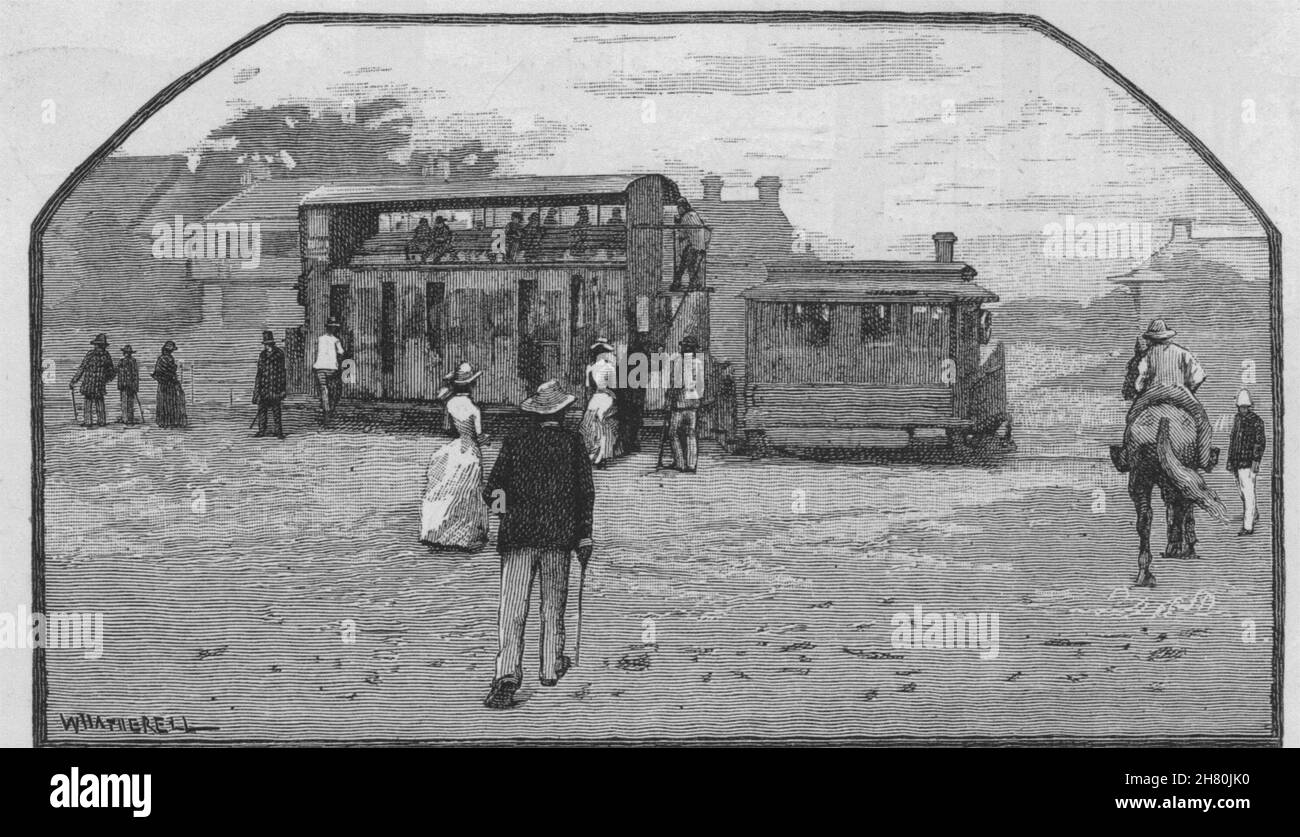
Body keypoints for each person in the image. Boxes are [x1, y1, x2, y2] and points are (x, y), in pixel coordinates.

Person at [482, 380, 593, 709]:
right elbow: (585, 494)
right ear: (563, 413)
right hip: (558, 539)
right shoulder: (573, 443)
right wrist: (584, 534)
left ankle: (506, 674)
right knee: (552, 606)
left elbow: (494, 489)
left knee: (512, 609)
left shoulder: (515, 441)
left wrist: (505, 516)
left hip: (517, 537)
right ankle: (548, 666)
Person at [1118, 319, 1217, 471]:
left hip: (1152, 393)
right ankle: (1204, 459)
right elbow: (1198, 376)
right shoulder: (1182, 352)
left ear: (1150, 339)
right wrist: (1187, 388)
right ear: (1167, 337)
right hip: (1180, 393)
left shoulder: (1147, 355)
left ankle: (1126, 457)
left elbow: (1139, 384)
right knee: (1202, 421)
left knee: (1132, 418)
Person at [421, 363, 491, 550]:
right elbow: (478, 436)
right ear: (471, 385)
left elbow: (447, 429)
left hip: (455, 447)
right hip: (470, 449)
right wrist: (486, 440)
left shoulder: (450, 404)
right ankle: (465, 535)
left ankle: (439, 531)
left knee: (447, 489)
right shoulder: (474, 409)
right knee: (469, 491)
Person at [1228, 388, 1266, 536]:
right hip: (1237, 462)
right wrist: (1230, 461)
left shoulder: (1256, 421)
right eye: (1240, 407)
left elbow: (1260, 442)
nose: (1242, 409)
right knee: (1242, 492)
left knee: (1248, 493)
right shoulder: (1237, 419)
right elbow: (1234, 441)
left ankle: (1248, 526)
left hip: (1249, 463)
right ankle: (1254, 513)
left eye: (1245, 407)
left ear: (1249, 407)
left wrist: (1256, 460)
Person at [667, 335, 705, 472]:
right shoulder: (698, 363)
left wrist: (670, 396)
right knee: (691, 433)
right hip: (693, 401)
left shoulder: (679, 362)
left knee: (674, 433)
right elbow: (701, 385)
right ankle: (691, 464)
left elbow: (676, 384)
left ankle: (680, 463)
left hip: (680, 402)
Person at [579, 340, 619, 467]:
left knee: (590, 425)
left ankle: (593, 454)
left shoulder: (590, 368)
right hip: (607, 397)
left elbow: (588, 388)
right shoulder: (609, 367)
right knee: (604, 426)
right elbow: (613, 386)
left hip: (595, 398)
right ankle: (602, 456)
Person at [69, 333, 115, 428]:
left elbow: (110, 371)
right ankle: (97, 422)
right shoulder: (103, 355)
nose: (97, 347)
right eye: (97, 345)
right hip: (94, 384)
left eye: (98, 345)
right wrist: (105, 379)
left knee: (93, 402)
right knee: (94, 402)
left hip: (91, 384)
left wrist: (74, 381)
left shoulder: (96, 355)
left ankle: (92, 422)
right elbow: (111, 372)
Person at [253, 330, 287, 439]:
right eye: (265, 344)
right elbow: (259, 373)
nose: (266, 346)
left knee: (276, 411)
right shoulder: (262, 355)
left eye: (268, 344)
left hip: (275, 387)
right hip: (264, 387)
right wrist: (257, 391)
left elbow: (282, 372)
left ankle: (279, 432)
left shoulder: (279, 354)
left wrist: (282, 389)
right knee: (262, 410)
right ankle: (261, 430)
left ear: (272, 343)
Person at [671, 198, 710, 291]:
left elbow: (682, 234)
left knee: (685, 264)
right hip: (700, 245)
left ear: (683, 208)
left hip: (693, 246)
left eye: (679, 208)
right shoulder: (695, 215)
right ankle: (695, 284)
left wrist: (677, 224)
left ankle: (678, 283)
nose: (678, 210)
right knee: (692, 265)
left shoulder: (686, 217)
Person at [313, 318, 346, 424]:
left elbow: (314, 352)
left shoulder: (319, 339)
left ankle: (326, 411)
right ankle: (329, 411)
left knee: (324, 390)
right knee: (333, 391)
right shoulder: (336, 340)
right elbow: (341, 353)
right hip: (332, 369)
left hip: (319, 368)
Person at [150, 340, 188, 429]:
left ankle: (164, 421)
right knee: (170, 402)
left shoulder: (161, 358)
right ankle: (171, 421)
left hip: (163, 384)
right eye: (170, 350)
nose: (171, 352)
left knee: (164, 402)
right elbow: (170, 371)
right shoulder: (168, 358)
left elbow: (158, 372)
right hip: (169, 384)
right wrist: (175, 368)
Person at [117, 344, 139, 425]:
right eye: (125, 352)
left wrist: (135, 386)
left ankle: (129, 419)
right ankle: (125, 418)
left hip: (130, 385)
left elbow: (135, 374)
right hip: (123, 385)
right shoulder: (121, 361)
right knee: (124, 402)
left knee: (130, 402)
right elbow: (119, 373)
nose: (126, 354)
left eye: (128, 353)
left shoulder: (133, 361)